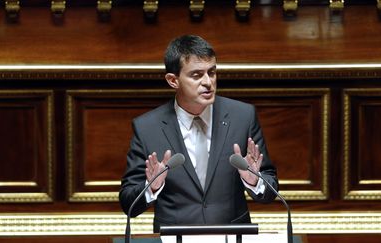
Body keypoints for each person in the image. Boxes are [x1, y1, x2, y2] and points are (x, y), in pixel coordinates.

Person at [119, 35, 279, 233]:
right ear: (173, 80)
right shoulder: (147, 128)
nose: (208, 82)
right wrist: (151, 187)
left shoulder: (243, 117)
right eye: (196, 75)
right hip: (175, 238)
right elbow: (128, 203)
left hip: (232, 236)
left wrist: (253, 179)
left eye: (211, 72)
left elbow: (271, 191)